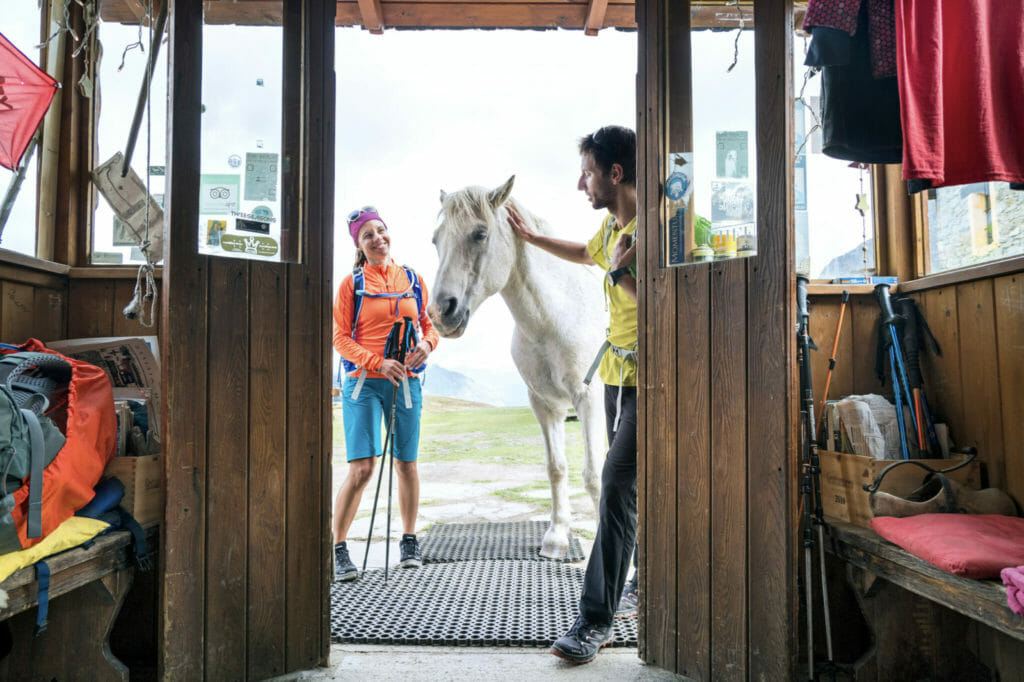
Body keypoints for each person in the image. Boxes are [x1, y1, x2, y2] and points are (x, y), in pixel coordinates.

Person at [507, 125, 639, 664]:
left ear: (614, 173)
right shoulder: (612, 231)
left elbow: (668, 304)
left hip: (654, 376)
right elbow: (587, 253)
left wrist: (626, 272)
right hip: (619, 375)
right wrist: (533, 238)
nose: (580, 182)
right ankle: (634, 584)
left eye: (587, 172)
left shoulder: (660, 228)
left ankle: (593, 622)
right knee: (625, 492)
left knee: (612, 484)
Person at [332, 206, 439, 582]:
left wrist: (427, 345)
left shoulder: (412, 278)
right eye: (368, 235)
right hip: (363, 383)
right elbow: (340, 338)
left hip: (406, 382)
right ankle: (338, 548)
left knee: (406, 464)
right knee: (362, 469)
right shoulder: (352, 284)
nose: (378, 238)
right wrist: (378, 362)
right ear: (359, 245)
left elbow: (430, 325)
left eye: (381, 231)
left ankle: (409, 541)